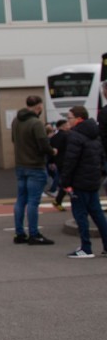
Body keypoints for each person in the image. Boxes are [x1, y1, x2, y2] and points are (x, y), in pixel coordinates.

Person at [59, 106, 107, 258]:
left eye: (70, 117)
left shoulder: (75, 136)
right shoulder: (95, 134)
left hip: (79, 182)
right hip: (93, 180)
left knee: (80, 214)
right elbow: (101, 157)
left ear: (79, 118)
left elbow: (70, 161)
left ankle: (86, 248)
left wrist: (65, 182)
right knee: (98, 215)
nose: (68, 121)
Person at [11, 95, 56, 245]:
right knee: (33, 201)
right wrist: (53, 151)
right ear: (38, 107)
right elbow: (43, 145)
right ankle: (34, 234)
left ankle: (19, 233)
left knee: (21, 200)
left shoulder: (16, 121)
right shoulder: (36, 123)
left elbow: (13, 140)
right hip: (35, 166)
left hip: (20, 165)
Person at [47, 119, 70, 211]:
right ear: (63, 126)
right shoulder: (67, 136)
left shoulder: (53, 138)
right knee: (67, 182)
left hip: (58, 162)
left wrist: (52, 162)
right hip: (67, 162)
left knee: (64, 181)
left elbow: (51, 151)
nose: (69, 126)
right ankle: (58, 200)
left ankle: (58, 200)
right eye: (67, 124)